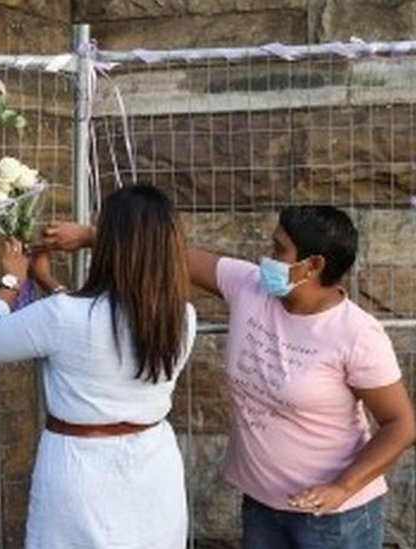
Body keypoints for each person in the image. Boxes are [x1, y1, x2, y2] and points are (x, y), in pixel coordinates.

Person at [40, 205, 416, 548]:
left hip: (334, 518)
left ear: (313, 265)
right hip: (262, 505)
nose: (267, 258)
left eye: (279, 249)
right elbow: (168, 255)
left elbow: (400, 424)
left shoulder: (356, 334)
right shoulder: (249, 286)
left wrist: (341, 487)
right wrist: (93, 236)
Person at [0, 185, 198, 548]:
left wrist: (11, 281)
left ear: (108, 246)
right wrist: (50, 283)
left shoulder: (64, 317)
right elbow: (95, 329)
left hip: (80, 476)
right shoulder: (182, 317)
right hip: (154, 471)